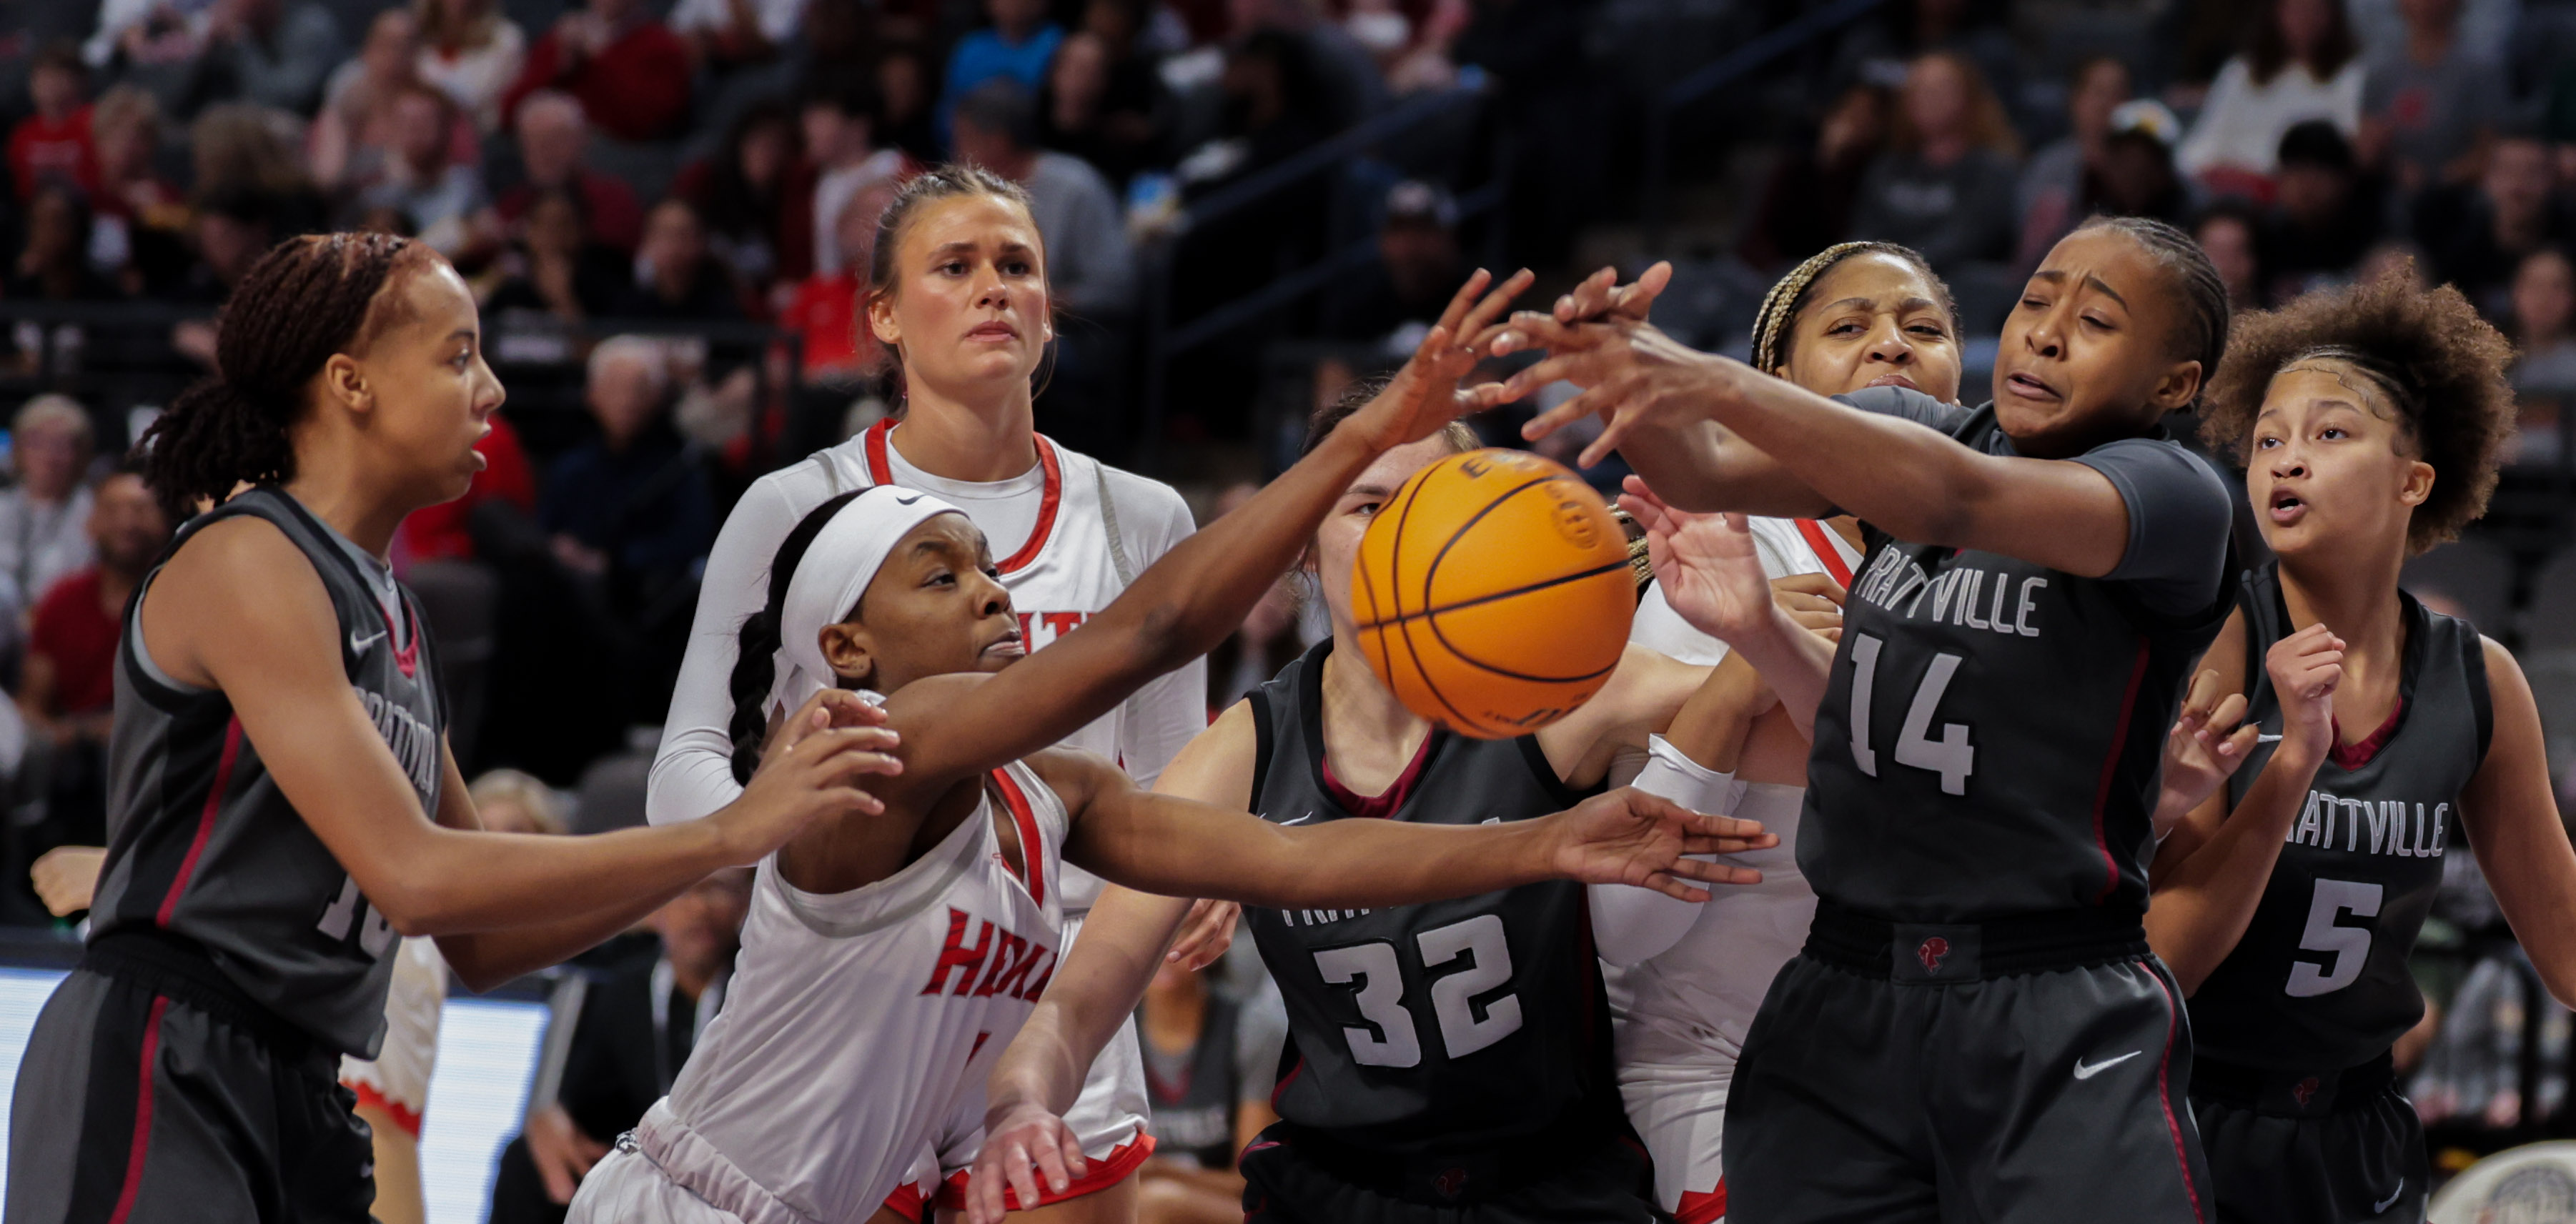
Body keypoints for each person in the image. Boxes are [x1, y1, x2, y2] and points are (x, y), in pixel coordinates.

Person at [570, 272, 1768, 1223]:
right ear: (843, 643)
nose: (993, 595)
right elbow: (1155, 628)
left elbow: (1297, 861)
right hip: (700, 1200)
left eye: (990, 567)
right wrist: (1351, 443)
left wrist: (1556, 836)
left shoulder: (1048, 794)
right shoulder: (880, 743)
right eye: (941, 575)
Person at [1, 231, 901, 1222]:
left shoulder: (400, 618)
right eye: (458, 355)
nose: (495, 391)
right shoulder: (248, 558)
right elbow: (418, 877)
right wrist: (727, 833)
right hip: (165, 1051)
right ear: (351, 381)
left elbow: (481, 938)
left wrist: (746, 835)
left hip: (302, 1076)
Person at [1490, 212, 2243, 1220]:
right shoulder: (1928, 434)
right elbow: (1703, 467)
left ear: (2172, 386)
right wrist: (1626, 376)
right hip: (1843, 984)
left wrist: (1699, 372)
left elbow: (1955, 502)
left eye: (2097, 321)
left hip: (2044, 984)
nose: (2047, 334)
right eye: (2035, 301)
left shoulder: (2173, 495)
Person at [963, 382, 1836, 1224]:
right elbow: (1080, 1002)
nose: (1402, 536)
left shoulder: (1564, 697)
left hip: (1552, 1179)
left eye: (1433, 505)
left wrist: (1755, 637)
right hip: (1337, 1184)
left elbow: (1830, 723)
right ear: (1303, 543)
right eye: (1368, 506)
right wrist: (1023, 1102)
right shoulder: (1242, 752)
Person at [649, 166, 1217, 1219]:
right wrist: (788, 821)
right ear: (884, 315)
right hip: (862, 991)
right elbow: (684, 765)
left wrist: (1177, 901)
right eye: (954, 267)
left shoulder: (1143, 514)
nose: (994, 288)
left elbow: (1179, 787)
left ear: (1050, 309)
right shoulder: (797, 503)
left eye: (1018, 267)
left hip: (1059, 989)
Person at [2156, 266, 2576, 1223]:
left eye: (2329, 433)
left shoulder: (2481, 681)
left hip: (2362, 1131)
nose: (2284, 461)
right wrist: (2290, 763)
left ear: (2413, 480)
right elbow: (2170, 961)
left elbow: (2568, 954)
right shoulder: (2221, 642)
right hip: (2192, 1112)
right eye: (2267, 439)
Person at [1595, 241, 1960, 1224]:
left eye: (1924, 328)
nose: (1892, 345)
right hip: (1717, 1059)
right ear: (1774, 387)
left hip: (1923, 1063)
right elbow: (1624, 928)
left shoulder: (2013, 565)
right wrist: (1736, 676)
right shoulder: (1718, 558)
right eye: (1848, 328)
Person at [490, 869, 753, 1223]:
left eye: (718, 889)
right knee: (527, 1160)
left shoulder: (758, 993)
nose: (699, 908)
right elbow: (578, 1105)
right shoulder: (622, 991)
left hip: (731, 1165)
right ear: (655, 907)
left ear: (745, 900)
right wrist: (552, 1122)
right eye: (684, 890)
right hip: (641, 1156)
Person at [1846, 51, 2020, 294]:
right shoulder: (1887, 167)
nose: (1929, 98)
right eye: (1919, 89)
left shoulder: (1992, 170)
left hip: (1956, 294)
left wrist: (1898, 266)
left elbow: (1968, 240)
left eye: (1941, 89)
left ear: (1969, 98)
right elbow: (1863, 231)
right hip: (1885, 285)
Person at [1129, 960, 1288, 1224]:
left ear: (1211, 942)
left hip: (1243, 1207)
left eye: (1180, 934)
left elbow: (1250, 1182)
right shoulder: (1110, 1031)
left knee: (1159, 1203)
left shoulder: (1250, 1028)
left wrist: (1156, 1171)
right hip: (1144, 1196)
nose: (1165, 952)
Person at [2175, 0, 2364, 193]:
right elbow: (2203, 141)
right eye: (2295, 10)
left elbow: (2343, 145)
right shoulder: (2239, 73)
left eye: (2315, 10)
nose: (2305, 20)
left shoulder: (2350, 77)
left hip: (2291, 192)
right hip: (2224, 187)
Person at [2359, 0, 2507, 192]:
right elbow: (2366, 148)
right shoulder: (2380, 75)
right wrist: (2392, 166)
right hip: (2390, 192)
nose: (2424, 4)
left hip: (2458, 196)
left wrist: (2436, 180)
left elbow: (2488, 150)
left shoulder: (2479, 72)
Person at [500, 0, 693, 142]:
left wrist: (597, 59)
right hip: (546, 144)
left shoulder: (661, 45)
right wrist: (560, 67)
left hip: (616, 150)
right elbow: (510, 112)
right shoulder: (565, 37)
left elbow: (643, 124)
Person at [2016, 56, 2134, 270]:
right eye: (2097, 92)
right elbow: (2029, 247)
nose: (2105, 104)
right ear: (2075, 100)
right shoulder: (2048, 165)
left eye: (2117, 95)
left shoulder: (2146, 169)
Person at [496, 91, 645, 254]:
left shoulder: (613, 200)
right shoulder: (512, 206)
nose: (545, 152)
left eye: (555, 139)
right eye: (533, 142)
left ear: (582, 141)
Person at [0, 395, 100, 633]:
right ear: (17, 450)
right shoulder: (3, 506)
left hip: (66, 629)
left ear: (81, 454)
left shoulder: (95, 513)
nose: (49, 456)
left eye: (62, 444)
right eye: (36, 442)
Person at [415, 0, 526, 130]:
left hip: (482, 135)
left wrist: (434, 95)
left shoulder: (505, 39)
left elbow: (476, 99)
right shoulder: (413, 35)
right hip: (417, 133)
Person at [8, 43, 98, 203]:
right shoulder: (23, 134)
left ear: (80, 81)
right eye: (42, 76)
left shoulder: (95, 125)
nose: (49, 84)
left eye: (57, 75)